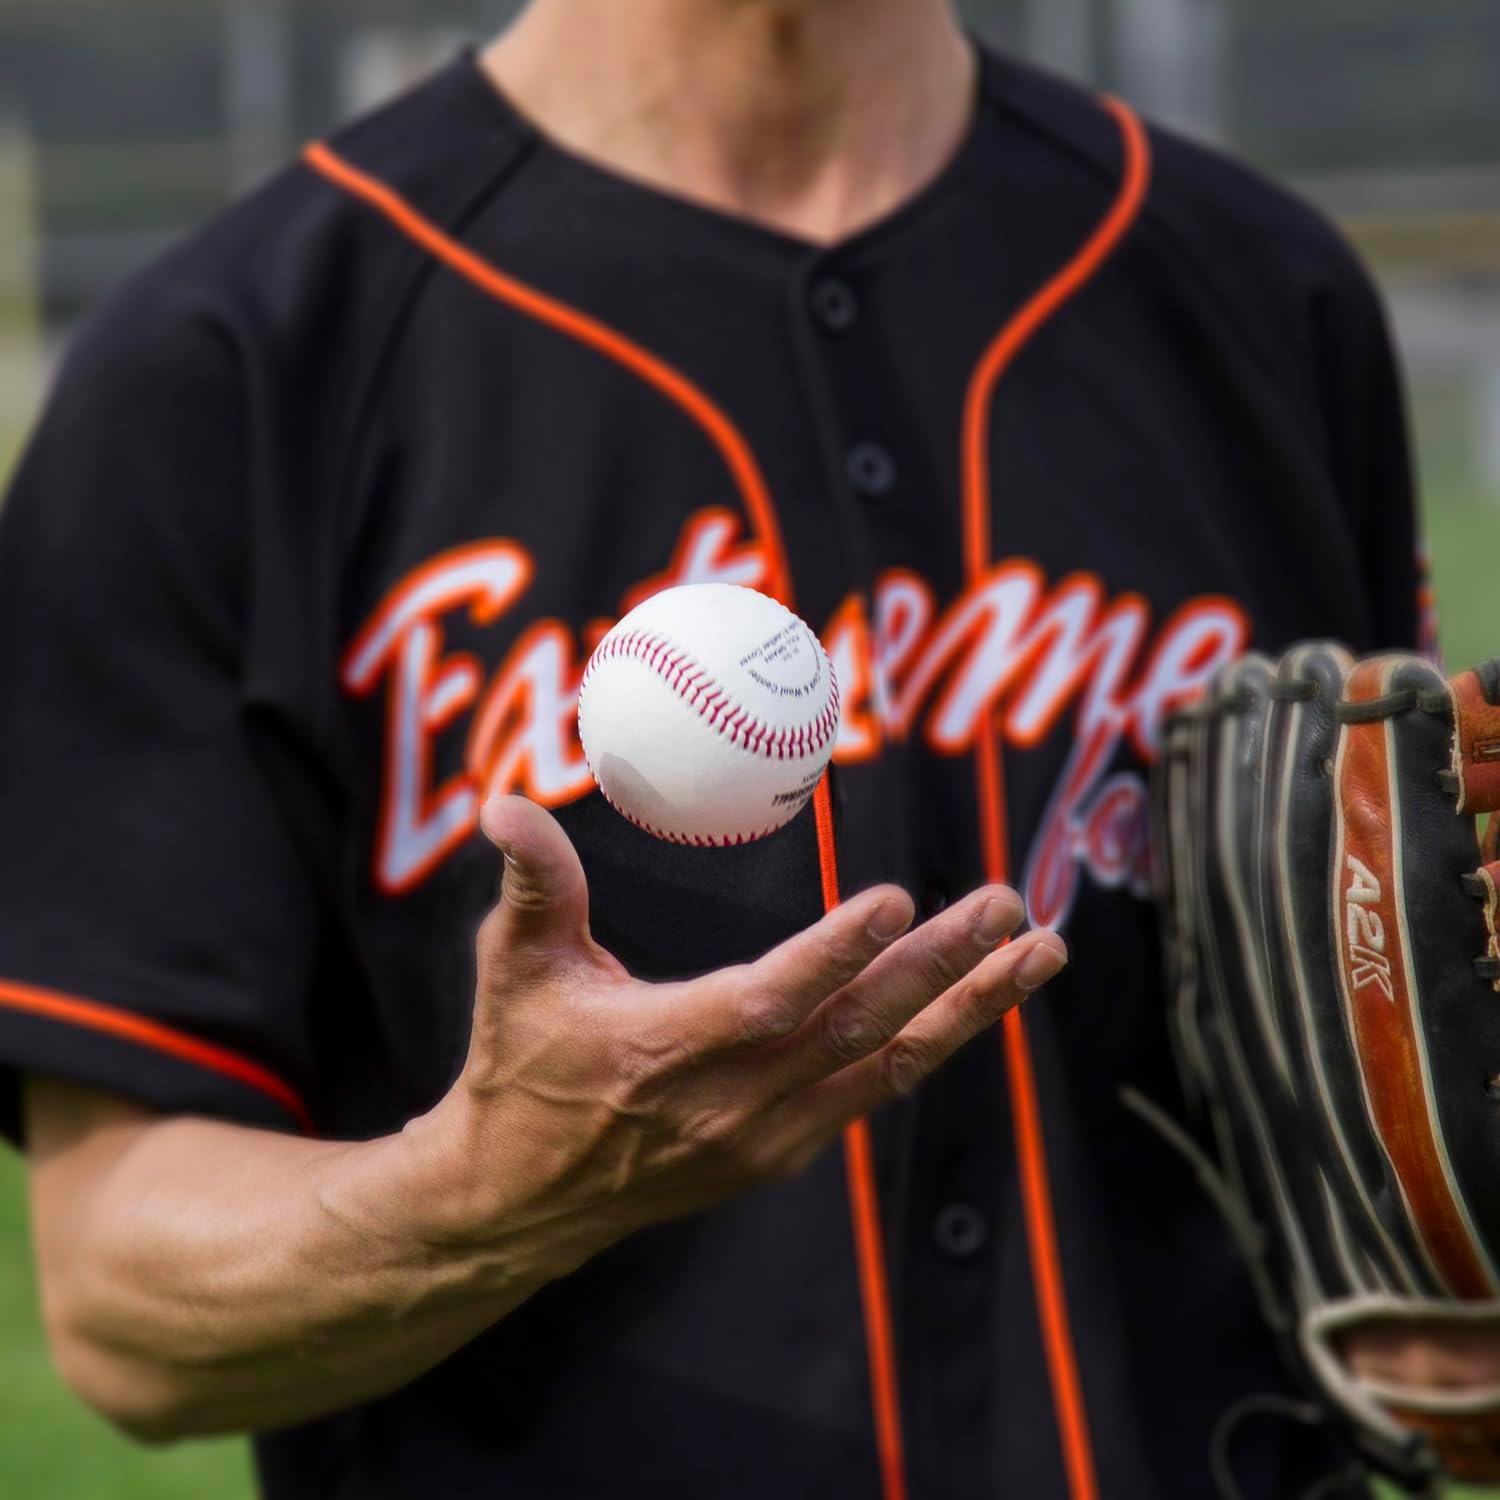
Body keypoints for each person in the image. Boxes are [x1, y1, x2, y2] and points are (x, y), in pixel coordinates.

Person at [0, 1, 1444, 1495]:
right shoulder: (227, 363)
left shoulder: (1265, 295)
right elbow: (122, 1305)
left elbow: (1404, 1039)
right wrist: (489, 1193)